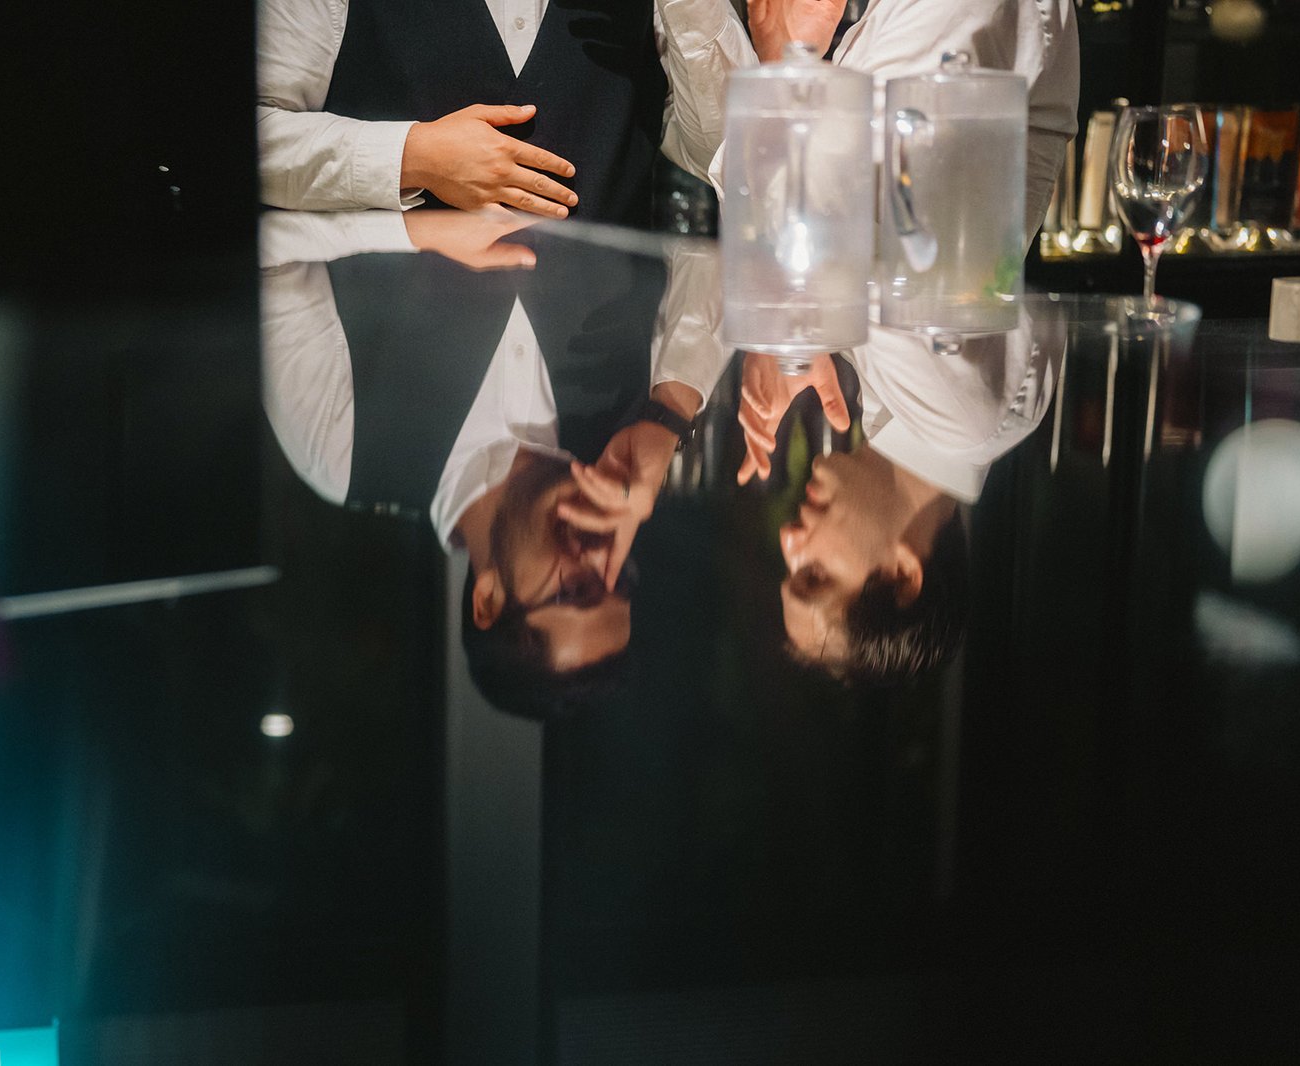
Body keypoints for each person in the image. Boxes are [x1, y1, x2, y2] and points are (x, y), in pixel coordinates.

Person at [260, 209, 731, 713]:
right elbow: (716, 228)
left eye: (576, 590)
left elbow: (261, 245)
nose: (603, 556)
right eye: (620, 579)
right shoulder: (634, 431)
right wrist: (671, 412)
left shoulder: (343, 454)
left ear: (488, 599)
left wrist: (416, 226)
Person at [738, 304, 1063, 682]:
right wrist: (788, 327)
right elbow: (855, 276)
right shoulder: (956, 418)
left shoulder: (937, 423)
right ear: (902, 574)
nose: (787, 539)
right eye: (814, 576)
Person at [257, 0, 755, 225]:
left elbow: (738, 160)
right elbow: (251, 140)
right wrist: (411, 156)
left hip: (601, 386)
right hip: (396, 358)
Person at [726, 0, 1081, 243]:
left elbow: (822, 207)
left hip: (918, 322)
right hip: (866, 320)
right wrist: (789, 69)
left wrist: (781, 72)